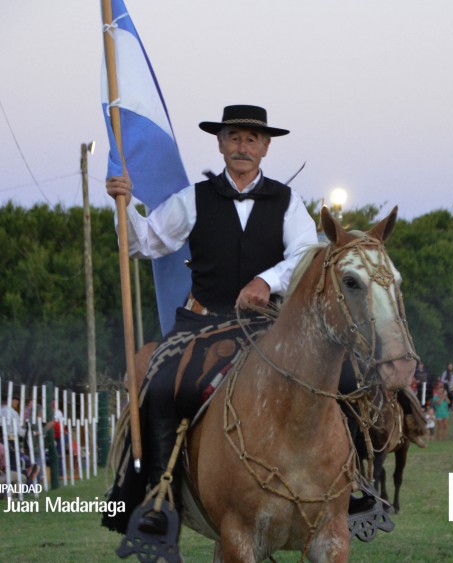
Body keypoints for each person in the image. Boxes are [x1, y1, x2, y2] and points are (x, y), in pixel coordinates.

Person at [104, 105, 318, 537]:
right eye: (234, 137)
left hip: (270, 324)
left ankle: (351, 485)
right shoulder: (193, 199)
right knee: (160, 384)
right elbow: (143, 243)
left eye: (251, 139)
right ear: (220, 144)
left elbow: (305, 256)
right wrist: (123, 204)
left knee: (336, 376)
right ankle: (156, 499)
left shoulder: (287, 201)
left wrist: (266, 279)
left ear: (266, 147)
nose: (243, 146)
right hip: (203, 326)